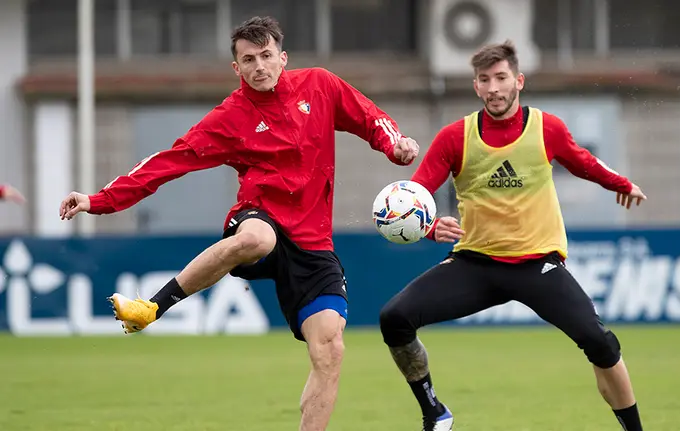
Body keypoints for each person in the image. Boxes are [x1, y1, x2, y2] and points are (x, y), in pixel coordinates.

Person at [58, 16, 419, 431]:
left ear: (283, 58)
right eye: (249, 59)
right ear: (236, 67)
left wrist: (395, 144)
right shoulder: (230, 117)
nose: (259, 66)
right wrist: (99, 200)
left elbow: (370, 117)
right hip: (259, 217)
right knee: (258, 240)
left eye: (266, 56)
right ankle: (152, 307)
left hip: (313, 244)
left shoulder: (319, 85)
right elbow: (166, 163)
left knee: (330, 350)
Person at [378, 40, 647, 431]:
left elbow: (583, 162)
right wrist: (431, 227)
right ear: (476, 86)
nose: (494, 88)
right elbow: (415, 195)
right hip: (475, 264)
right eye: (485, 80)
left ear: (518, 81)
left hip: (537, 265)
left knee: (601, 343)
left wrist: (621, 184)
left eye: (501, 78)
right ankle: (434, 412)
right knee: (394, 319)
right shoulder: (455, 137)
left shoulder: (546, 128)